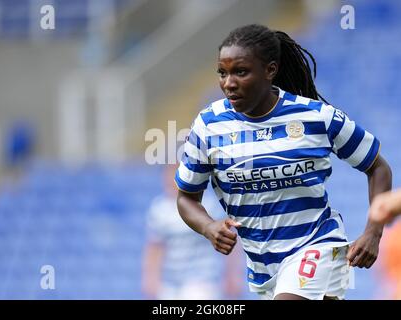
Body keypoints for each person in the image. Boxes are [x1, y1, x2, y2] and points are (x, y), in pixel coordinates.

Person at [174, 24, 392, 300]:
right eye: (222, 73)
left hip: (318, 245)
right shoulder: (208, 125)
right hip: (264, 268)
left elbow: (377, 167)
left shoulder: (316, 117)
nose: (228, 82)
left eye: (240, 71)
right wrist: (208, 226)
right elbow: (186, 198)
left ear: (270, 70)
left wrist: (373, 232)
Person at [142, 164, 243, 300]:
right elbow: (155, 247)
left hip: (203, 282)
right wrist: (151, 278)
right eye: (170, 173)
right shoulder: (159, 209)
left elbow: (229, 239)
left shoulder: (209, 205)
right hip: (170, 284)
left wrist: (232, 274)